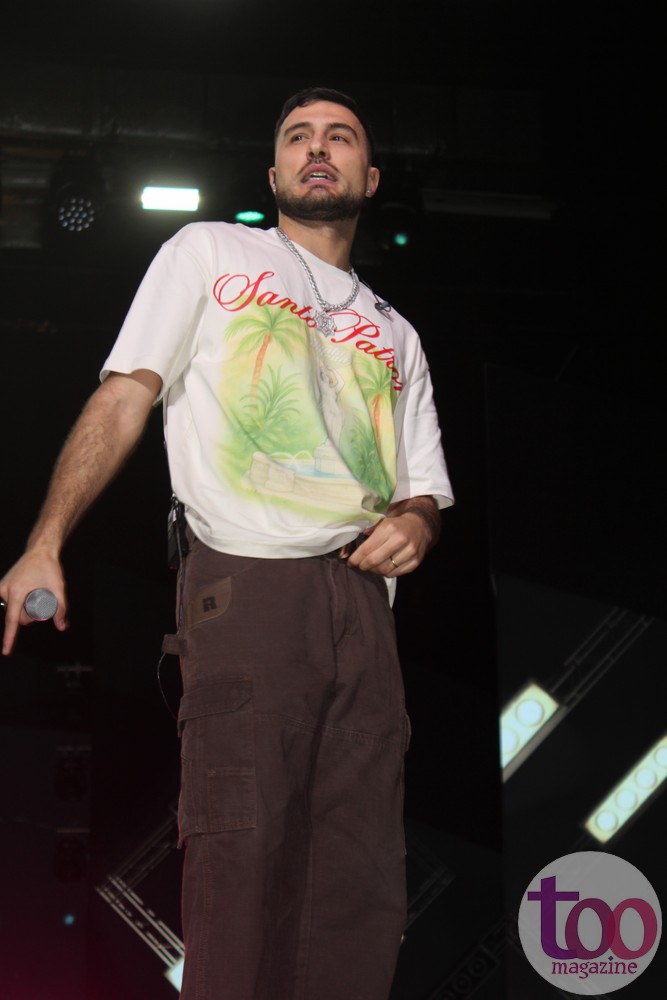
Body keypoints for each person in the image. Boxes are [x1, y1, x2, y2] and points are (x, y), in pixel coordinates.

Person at [0, 87, 453, 999]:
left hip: (363, 606)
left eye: (339, 137)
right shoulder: (209, 252)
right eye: (297, 137)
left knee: (360, 873)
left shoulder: (396, 332)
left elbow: (423, 490)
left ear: (370, 176)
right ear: (273, 173)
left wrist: (414, 522)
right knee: (243, 849)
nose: (316, 149)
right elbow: (125, 394)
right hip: (249, 579)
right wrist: (46, 538)